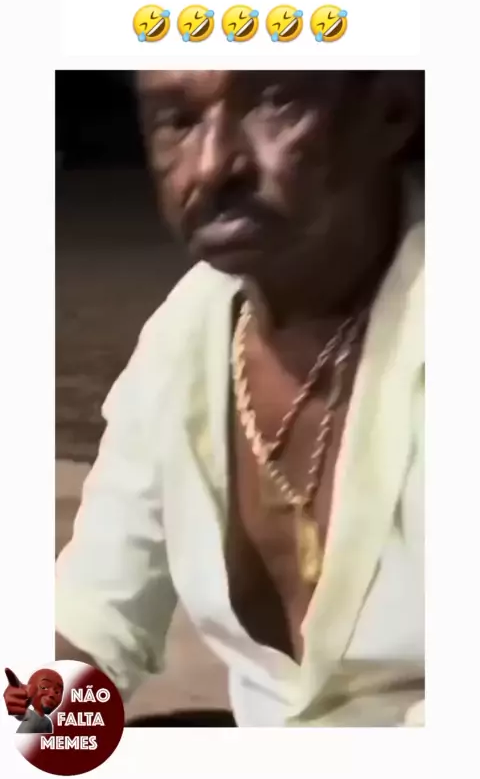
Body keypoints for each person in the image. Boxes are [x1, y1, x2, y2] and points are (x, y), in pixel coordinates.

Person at [55, 70, 425, 727]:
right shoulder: (189, 328)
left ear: (393, 110)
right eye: (177, 119)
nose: (212, 164)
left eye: (275, 100)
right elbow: (94, 619)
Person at [4, 668, 64, 733]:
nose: (52, 694)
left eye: (57, 692)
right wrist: (17, 706)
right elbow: (21, 714)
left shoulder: (48, 723)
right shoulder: (30, 715)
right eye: (44, 687)